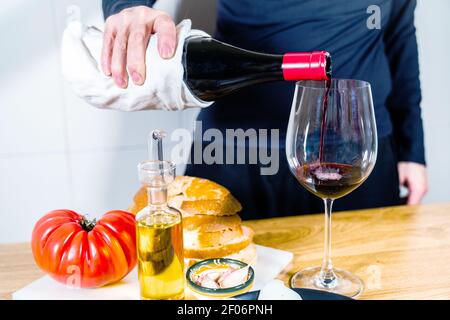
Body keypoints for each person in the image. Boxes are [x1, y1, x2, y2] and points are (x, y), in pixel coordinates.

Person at [101, 0, 428, 219]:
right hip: (238, 150)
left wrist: (413, 149)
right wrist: (128, 8)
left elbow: (399, 32)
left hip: (356, 154)